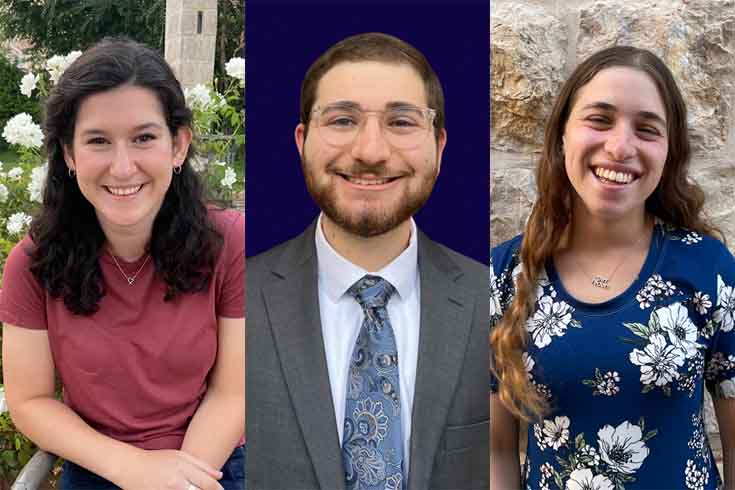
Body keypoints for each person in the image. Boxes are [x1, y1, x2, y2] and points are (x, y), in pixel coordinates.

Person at [247, 32, 489, 490]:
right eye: (342, 120)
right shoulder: (239, 298)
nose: (371, 152)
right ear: (302, 141)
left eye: (401, 122)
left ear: (439, 146)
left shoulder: (492, 298)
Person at [0, 39, 245, 490]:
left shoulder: (230, 243)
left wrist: (179, 481)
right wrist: (132, 468)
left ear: (178, 145)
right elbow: (30, 400)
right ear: (70, 156)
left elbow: (233, 392)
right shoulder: (31, 265)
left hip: (214, 462)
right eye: (98, 141)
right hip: (99, 465)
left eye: (143, 138)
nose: (123, 166)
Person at [490, 45, 735, 489]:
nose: (621, 146)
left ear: (668, 151)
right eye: (599, 120)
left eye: (647, 129)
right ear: (563, 133)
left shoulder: (709, 269)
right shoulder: (505, 274)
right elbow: (497, 451)